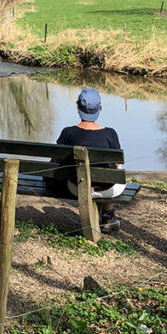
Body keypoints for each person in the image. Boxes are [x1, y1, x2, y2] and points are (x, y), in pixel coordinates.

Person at [49, 87, 125, 233]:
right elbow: (117, 164)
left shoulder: (68, 132)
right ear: (100, 108)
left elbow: (57, 159)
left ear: (77, 106)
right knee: (114, 170)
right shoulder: (110, 133)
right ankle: (107, 214)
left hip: (77, 187)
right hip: (107, 190)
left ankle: (103, 215)